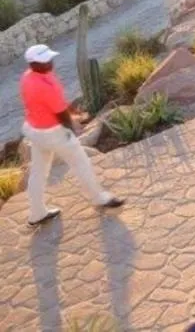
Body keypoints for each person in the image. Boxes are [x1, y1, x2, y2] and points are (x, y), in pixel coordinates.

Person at [20, 44, 124, 227]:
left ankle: (36, 213)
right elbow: (60, 112)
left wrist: (74, 113)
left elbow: (57, 103)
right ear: (34, 63)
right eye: (46, 61)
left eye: (49, 59)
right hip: (53, 133)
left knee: (38, 172)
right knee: (81, 163)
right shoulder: (45, 85)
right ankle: (99, 198)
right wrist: (74, 126)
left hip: (35, 131)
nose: (50, 62)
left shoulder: (28, 77)